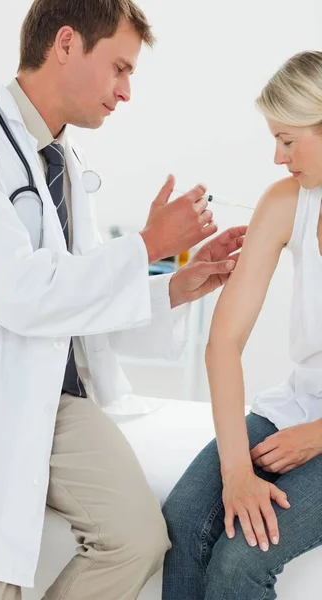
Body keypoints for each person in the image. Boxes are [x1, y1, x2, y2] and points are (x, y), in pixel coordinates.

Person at [0, 1, 246, 599]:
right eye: (119, 68)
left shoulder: (67, 162)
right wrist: (151, 242)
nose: (125, 93)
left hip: (57, 402)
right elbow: (20, 294)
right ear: (66, 44)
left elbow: (84, 297)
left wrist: (177, 282)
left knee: (140, 538)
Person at [162, 50, 322, 600]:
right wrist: (236, 472)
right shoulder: (288, 202)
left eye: (288, 140)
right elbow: (224, 343)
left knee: (240, 563)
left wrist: (319, 436)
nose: (278, 158)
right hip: (297, 405)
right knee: (181, 522)